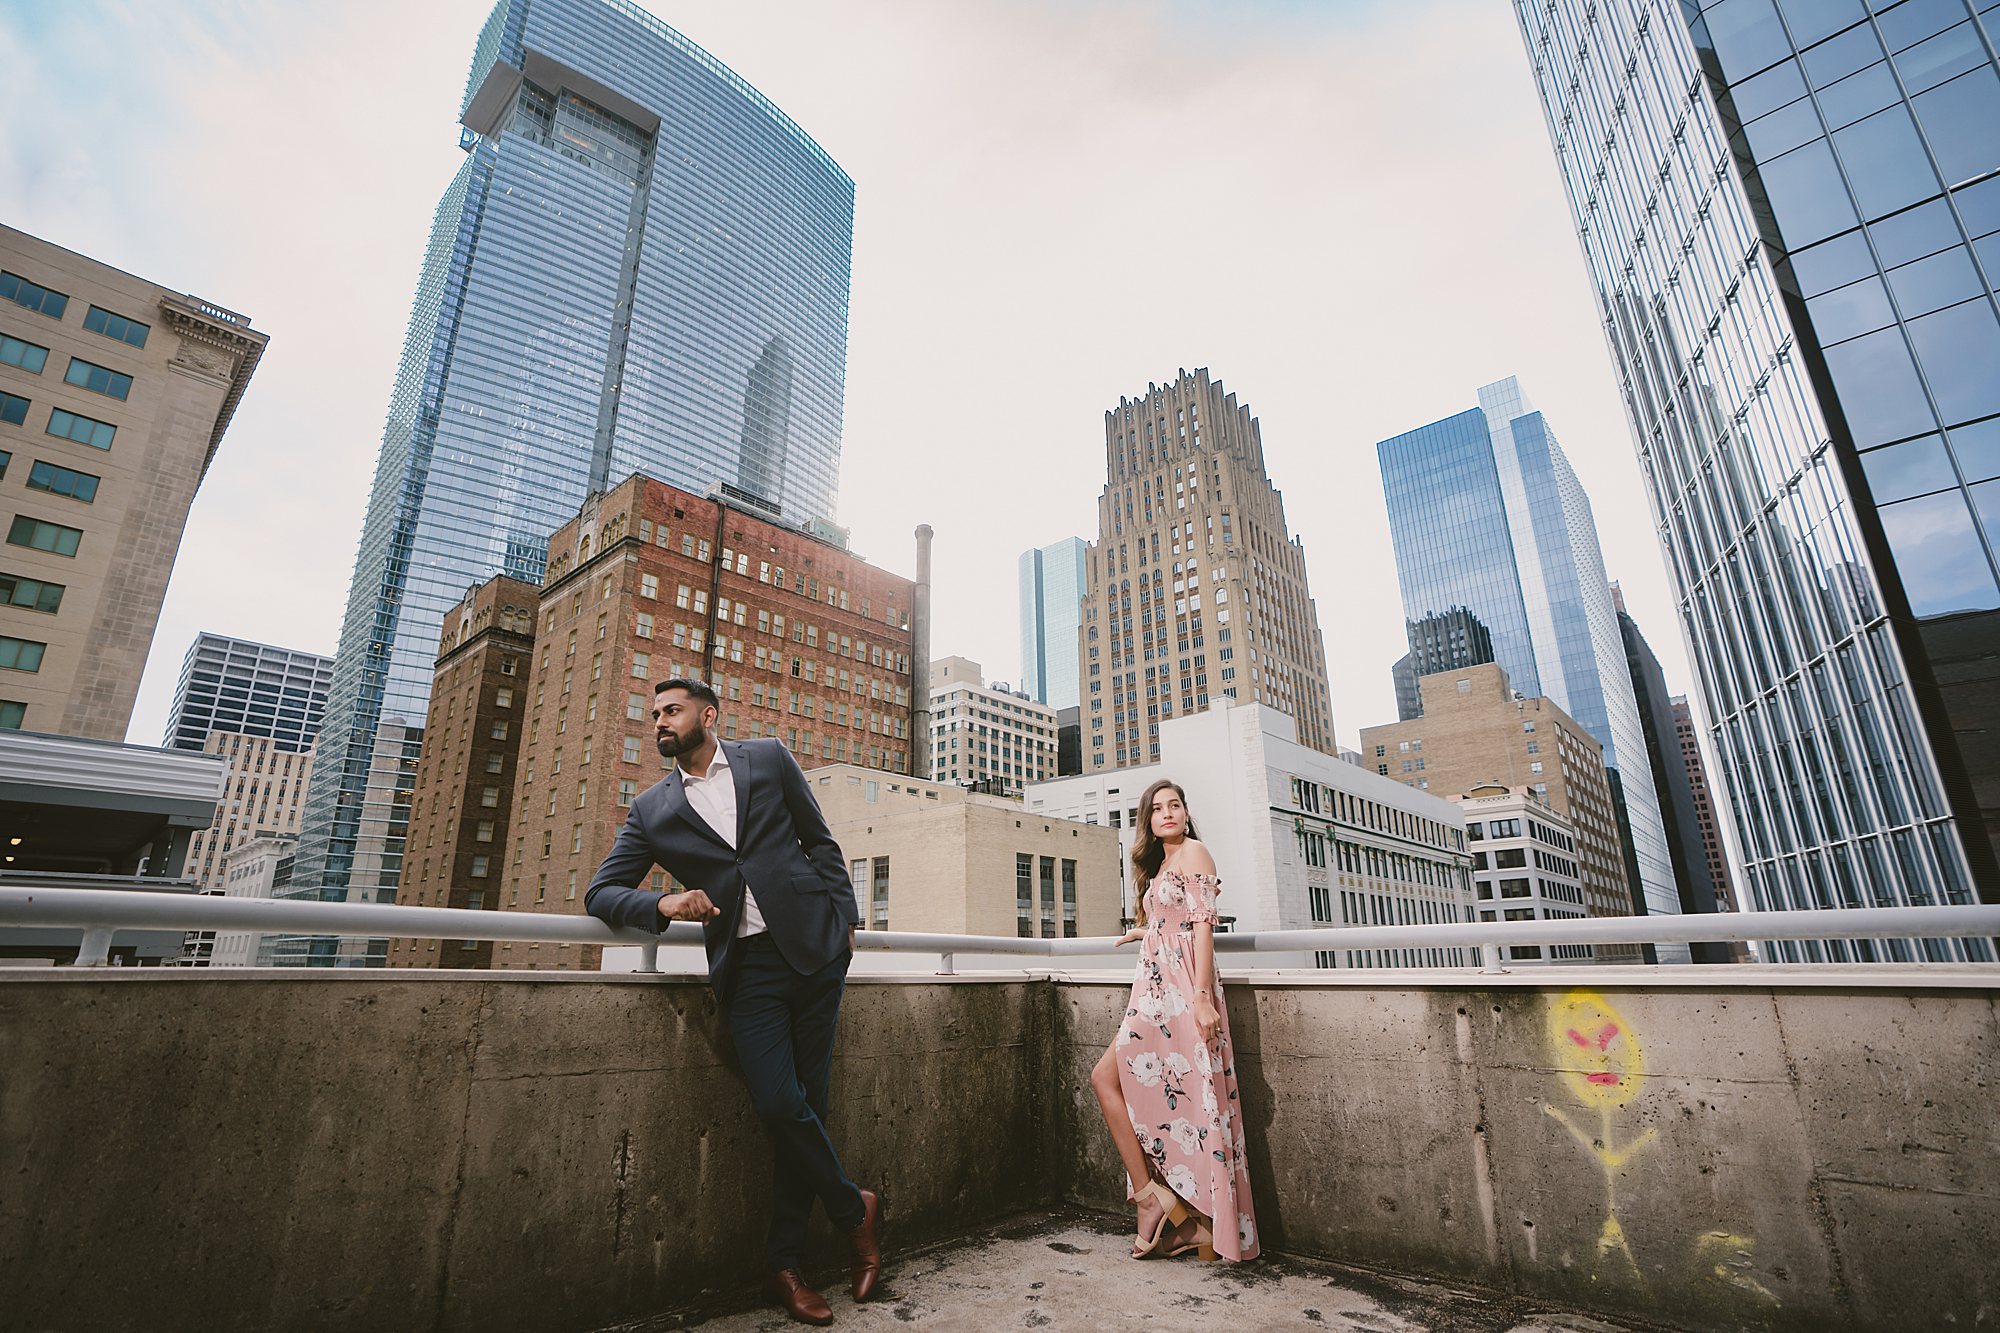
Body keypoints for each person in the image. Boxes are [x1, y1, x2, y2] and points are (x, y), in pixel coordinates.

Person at [585, 677, 881, 1327]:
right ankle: (853, 1209)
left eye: (672, 709)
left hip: (816, 953)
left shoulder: (768, 757)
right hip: (749, 973)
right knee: (780, 1104)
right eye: (655, 713)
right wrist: (664, 903)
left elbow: (820, 841)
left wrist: (846, 926)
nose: (659, 720)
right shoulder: (653, 809)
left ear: (708, 715)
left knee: (808, 1109)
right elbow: (601, 893)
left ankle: (785, 1264)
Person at [1088, 778, 1260, 1263]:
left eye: (1175, 805)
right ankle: (1188, 1221)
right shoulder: (1163, 863)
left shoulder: (1196, 853)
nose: (1167, 813)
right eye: (1157, 808)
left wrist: (1203, 997)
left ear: (1186, 813)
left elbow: (1203, 926)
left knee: (1139, 1086)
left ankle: (1161, 1207)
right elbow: (1176, 917)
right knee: (1119, 1083)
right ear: (1148, 821)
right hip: (1154, 990)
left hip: (1183, 991)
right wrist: (1143, 930)